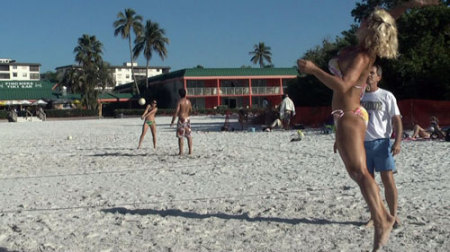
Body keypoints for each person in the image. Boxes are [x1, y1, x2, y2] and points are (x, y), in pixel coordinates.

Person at [297, 1, 438, 250]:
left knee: (361, 172)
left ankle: (382, 218)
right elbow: (388, 17)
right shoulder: (358, 48)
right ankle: (382, 216)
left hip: (351, 114)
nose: (362, 21)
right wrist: (412, 4)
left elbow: (343, 86)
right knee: (356, 172)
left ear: (371, 29)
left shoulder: (363, 56)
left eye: (367, 21)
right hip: (344, 115)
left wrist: (314, 69)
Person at [361, 64, 402, 229]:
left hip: (381, 143)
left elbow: (397, 119)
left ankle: (393, 216)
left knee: (388, 181)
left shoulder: (386, 96)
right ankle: (374, 216)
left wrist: (397, 142)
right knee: (369, 183)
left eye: (372, 73)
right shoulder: (358, 96)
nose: (369, 76)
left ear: (379, 77)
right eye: (367, 73)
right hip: (361, 145)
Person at [170, 88, 193, 155]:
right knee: (189, 135)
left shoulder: (180, 102)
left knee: (181, 136)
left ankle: (181, 151)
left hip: (181, 119)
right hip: (187, 119)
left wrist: (172, 121)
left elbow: (176, 111)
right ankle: (190, 151)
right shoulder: (188, 101)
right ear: (185, 93)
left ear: (179, 94)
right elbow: (191, 110)